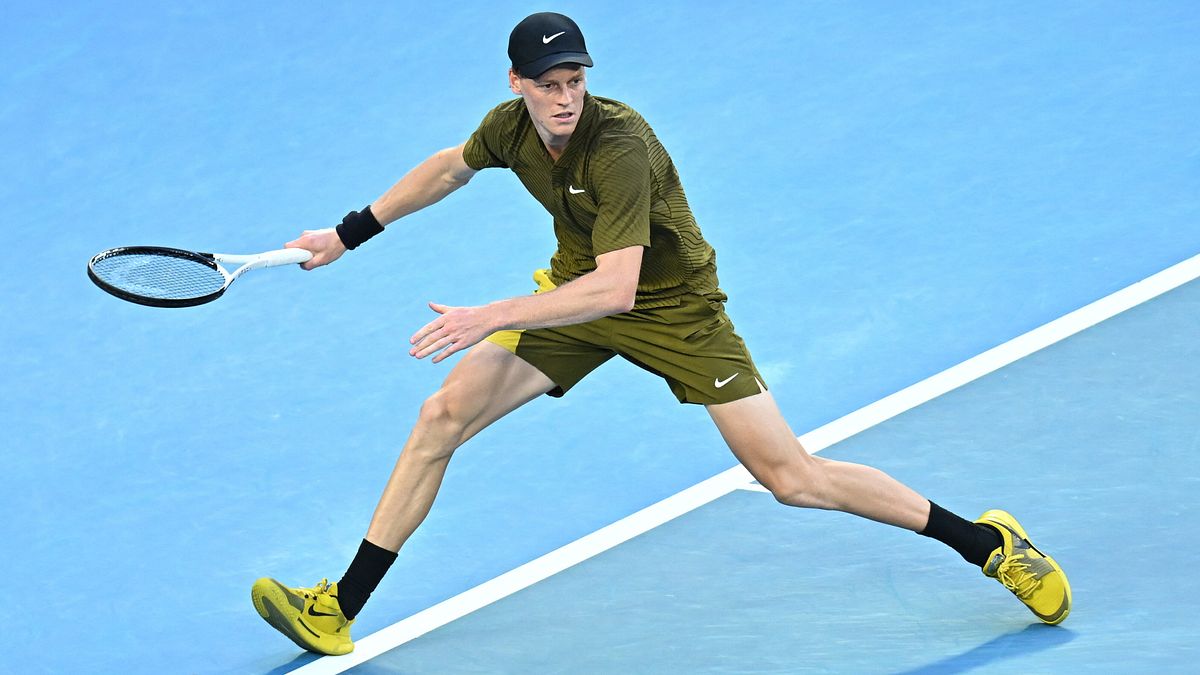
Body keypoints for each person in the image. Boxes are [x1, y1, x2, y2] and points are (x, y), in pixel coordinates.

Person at [250, 12, 1071, 657]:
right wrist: (348, 232)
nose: (565, 97)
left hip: (675, 310)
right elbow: (447, 167)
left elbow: (621, 286)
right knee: (441, 418)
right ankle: (339, 608)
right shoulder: (508, 126)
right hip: (579, 296)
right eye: (548, 83)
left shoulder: (621, 147)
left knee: (792, 477)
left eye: (574, 79)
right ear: (518, 84)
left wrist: (491, 313)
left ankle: (987, 543)